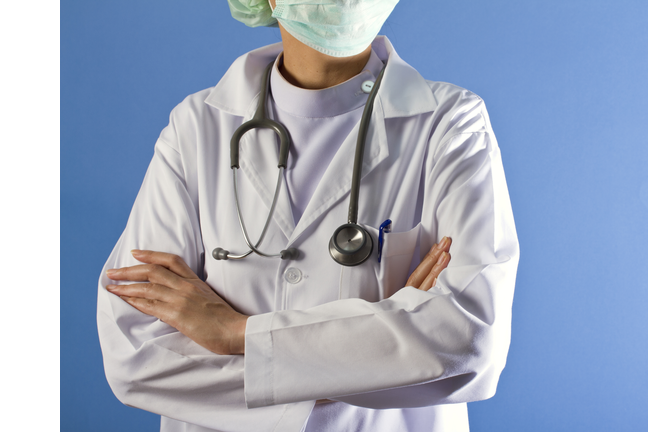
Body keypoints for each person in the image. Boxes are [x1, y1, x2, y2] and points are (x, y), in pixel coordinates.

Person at [97, 1, 520, 431]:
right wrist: (390, 345)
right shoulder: (197, 127)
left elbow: (467, 340)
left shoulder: (449, 124)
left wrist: (236, 334)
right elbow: (135, 356)